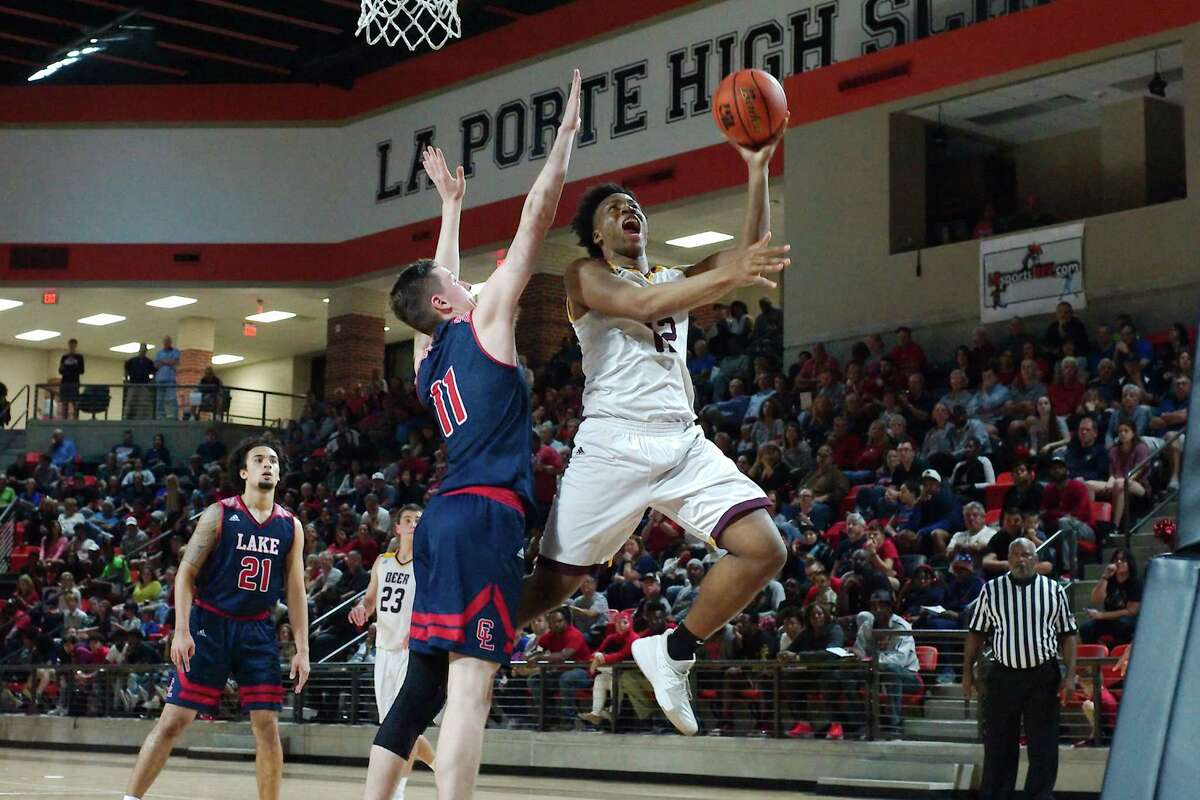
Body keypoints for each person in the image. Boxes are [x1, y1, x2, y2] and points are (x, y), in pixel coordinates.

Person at [517, 95, 790, 739]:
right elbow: (642, 306)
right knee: (551, 587)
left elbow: (747, 251)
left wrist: (755, 169)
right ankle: (464, 647)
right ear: (597, 235)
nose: (631, 212)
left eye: (635, 207)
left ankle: (673, 652)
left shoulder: (670, 274)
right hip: (611, 445)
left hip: (681, 442)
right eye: (617, 210)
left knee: (764, 549)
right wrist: (724, 277)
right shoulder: (583, 275)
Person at [365, 74, 583, 800]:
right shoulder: (486, 324)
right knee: (471, 686)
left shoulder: (429, 359)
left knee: (421, 686)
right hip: (484, 513)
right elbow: (533, 222)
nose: (466, 283)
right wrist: (561, 146)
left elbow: (438, 282)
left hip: (441, 519)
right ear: (444, 301)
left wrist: (449, 207)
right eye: (452, 284)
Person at [122, 436, 309, 800]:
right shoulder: (219, 514)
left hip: (257, 629)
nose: (268, 465)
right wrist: (181, 631)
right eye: (259, 460)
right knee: (174, 720)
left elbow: (297, 590)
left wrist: (302, 648)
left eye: (273, 460)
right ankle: (131, 798)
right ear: (244, 471)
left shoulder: (290, 525)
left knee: (268, 726)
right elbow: (185, 575)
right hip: (210, 623)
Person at [963, 537, 1078, 800]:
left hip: (1043, 676)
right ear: (1008, 559)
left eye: (1026, 554)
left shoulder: (1054, 590)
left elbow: (1068, 635)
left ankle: (1039, 796)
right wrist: (967, 672)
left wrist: (1071, 675)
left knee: (1044, 746)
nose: (1020, 559)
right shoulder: (991, 591)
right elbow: (976, 633)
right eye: (1015, 554)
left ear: (1035, 559)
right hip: (1004, 675)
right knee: (998, 745)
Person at [348, 508, 434, 800]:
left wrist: (421, 626)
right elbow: (371, 598)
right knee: (395, 727)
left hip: (412, 653)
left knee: (401, 730)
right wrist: (362, 608)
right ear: (397, 527)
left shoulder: (427, 563)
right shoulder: (383, 563)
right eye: (408, 520)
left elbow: (436, 603)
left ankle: (396, 792)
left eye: (418, 521)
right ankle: (444, 767)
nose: (413, 525)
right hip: (384, 651)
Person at [853, 589, 920, 738]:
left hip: (908, 675)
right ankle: (859, 724)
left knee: (891, 670)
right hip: (873, 671)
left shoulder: (901, 626)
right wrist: (859, 657)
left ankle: (894, 725)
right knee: (844, 674)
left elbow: (899, 660)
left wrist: (871, 661)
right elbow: (858, 649)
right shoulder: (867, 625)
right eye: (874, 606)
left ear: (890, 607)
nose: (877, 610)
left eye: (881, 606)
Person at [1079, 548, 1140, 646]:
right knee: (1086, 628)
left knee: (1122, 625)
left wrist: (1102, 615)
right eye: (1116, 560)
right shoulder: (1109, 581)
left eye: (1123, 560)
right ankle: (1096, 656)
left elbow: (1131, 611)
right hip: (1110, 619)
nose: (1119, 562)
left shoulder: (1135, 583)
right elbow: (1095, 599)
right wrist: (1105, 577)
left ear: (1130, 563)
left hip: (1128, 620)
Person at [124, 343, 156, 419]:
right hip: (133, 385)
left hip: (144, 385)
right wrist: (126, 380)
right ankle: (126, 418)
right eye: (141, 348)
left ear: (146, 350)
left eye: (144, 349)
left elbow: (154, 372)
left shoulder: (149, 362)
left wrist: (151, 381)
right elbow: (126, 369)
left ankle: (139, 419)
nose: (142, 350)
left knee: (142, 404)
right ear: (139, 350)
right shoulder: (132, 361)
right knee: (130, 402)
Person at [154, 336, 181, 420]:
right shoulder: (159, 353)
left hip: (171, 379)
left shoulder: (176, 352)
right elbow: (156, 365)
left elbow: (175, 362)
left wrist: (163, 361)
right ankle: (161, 416)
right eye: (165, 342)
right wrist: (168, 362)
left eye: (168, 342)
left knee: (172, 398)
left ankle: (174, 416)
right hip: (160, 379)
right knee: (160, 399)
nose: (166, 343)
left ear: (170, 342)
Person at [57, 337, 85, 419]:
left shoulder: (79, 357)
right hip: (65, 381)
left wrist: (74, 366)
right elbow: (60, 370)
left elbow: (82, 371)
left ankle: (75, 419)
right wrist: (64, 368)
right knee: (64, 402)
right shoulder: (64, 357)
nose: (72, 347)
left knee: (74, 401)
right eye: (70, 345)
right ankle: (64, 418)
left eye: (73, 345)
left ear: (76, 346)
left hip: (74, 382)